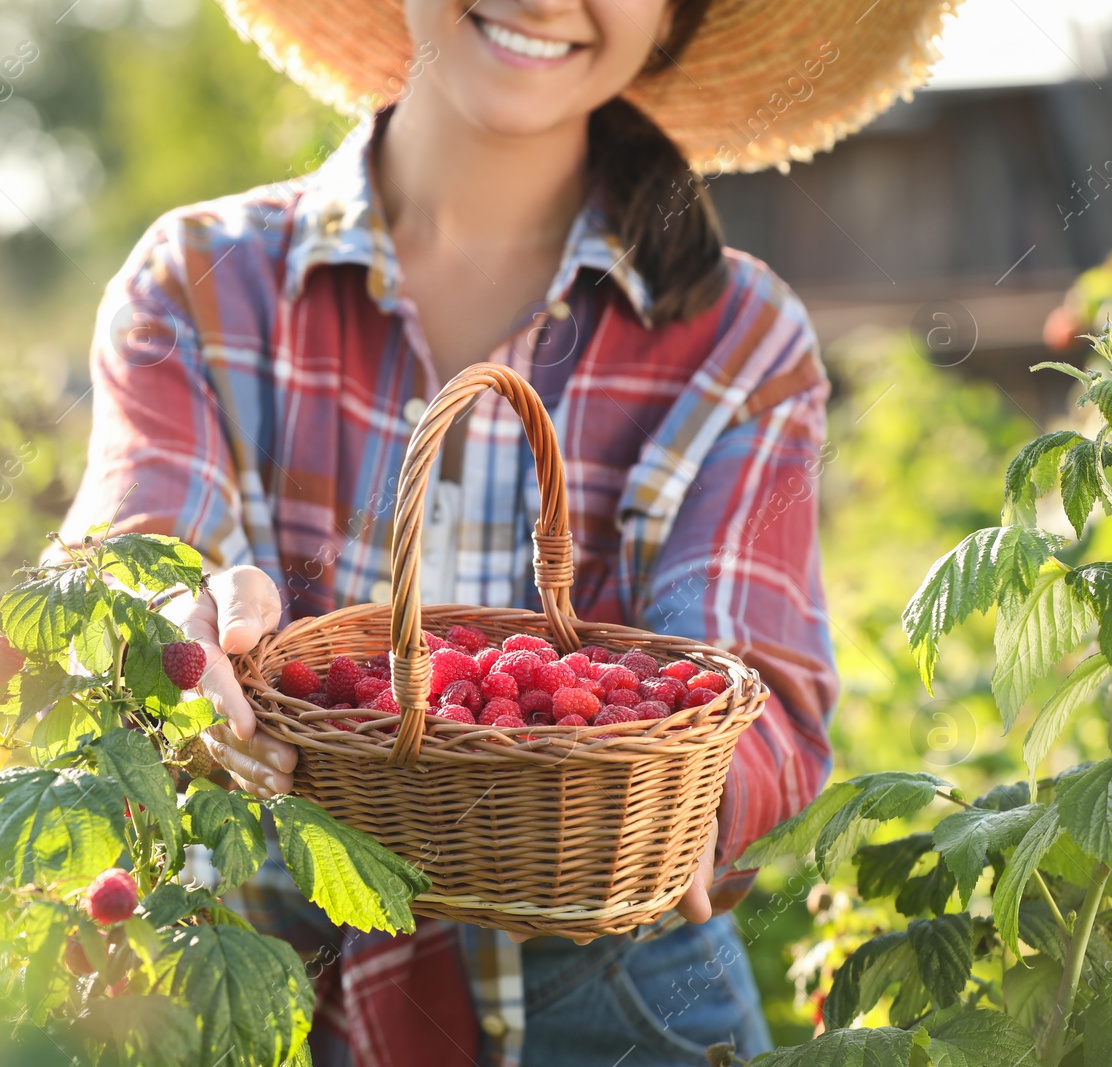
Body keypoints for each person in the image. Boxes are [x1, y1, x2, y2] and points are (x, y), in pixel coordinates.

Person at [55, 0, 957, 1062]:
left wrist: (620, 795)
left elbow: (751, 697)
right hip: (271, 977)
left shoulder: (738, 339)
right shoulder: (201, 284)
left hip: (622, 1000)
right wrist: (178, 630)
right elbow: (135, 558)